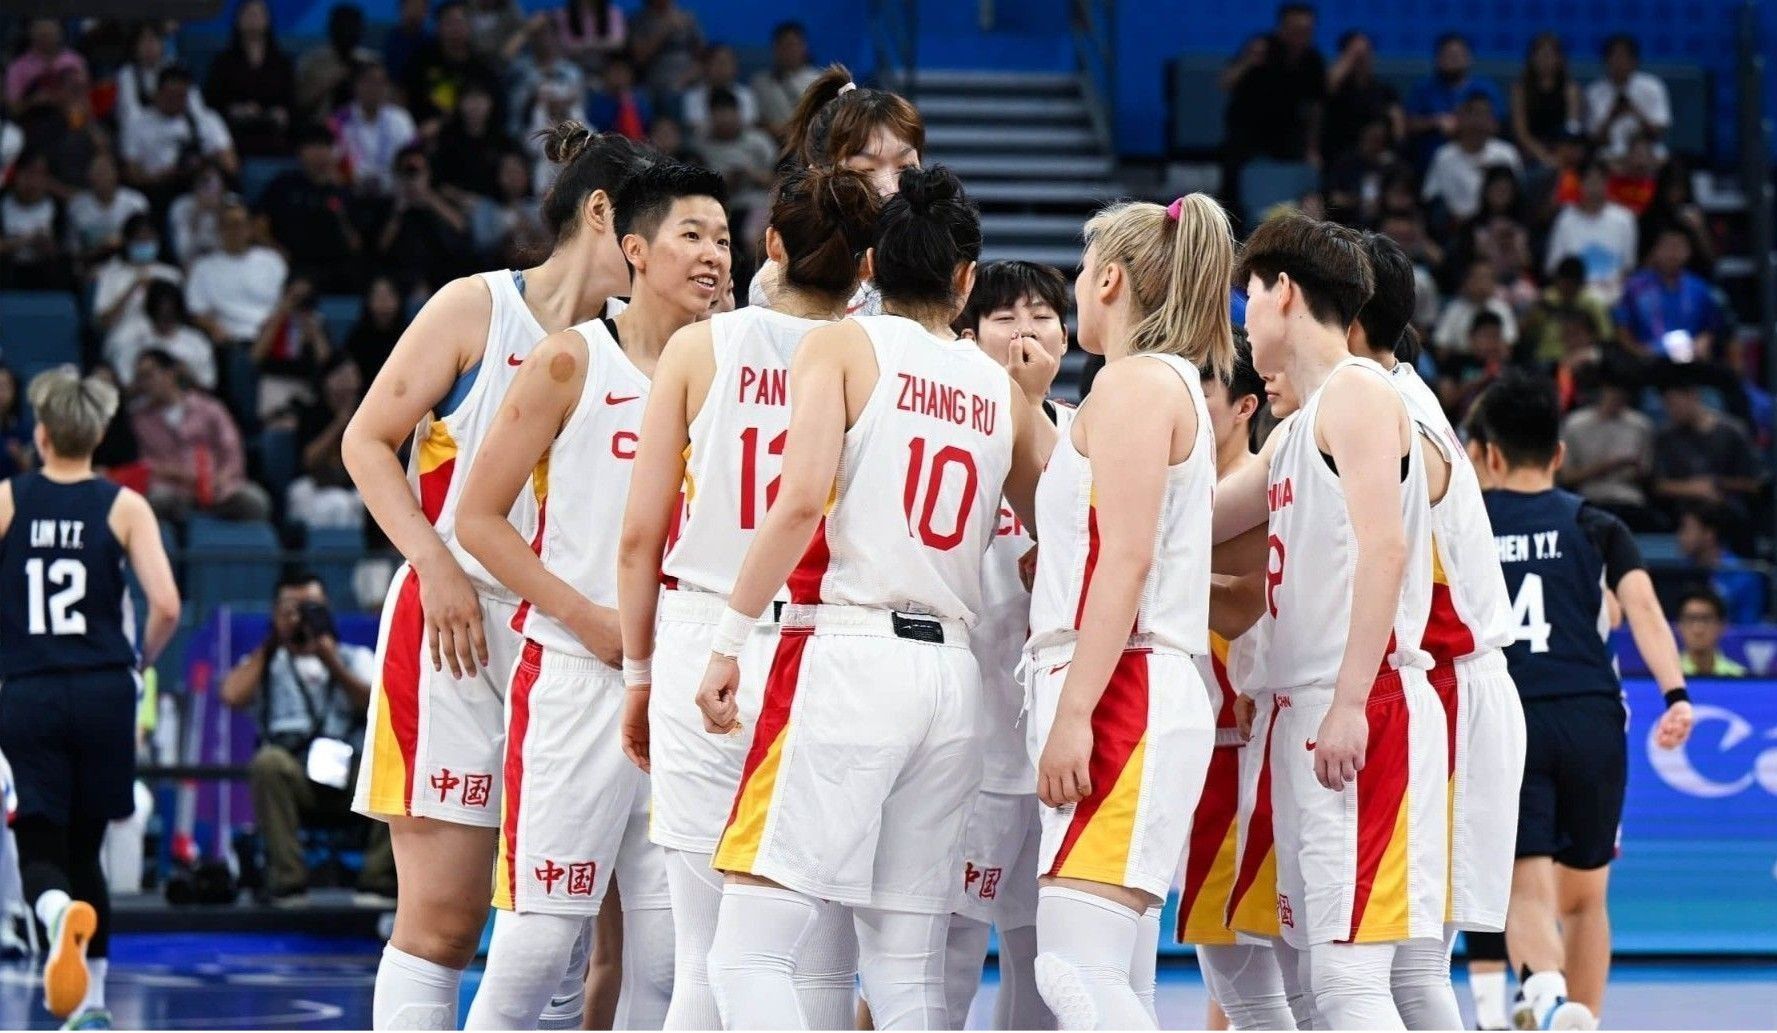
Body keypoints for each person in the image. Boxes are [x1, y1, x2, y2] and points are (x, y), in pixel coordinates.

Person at [695, 166, 1045, 1029]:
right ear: (965, 279)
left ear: (871, 266)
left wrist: (728, 638)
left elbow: (797, 502)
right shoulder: (1000, 389)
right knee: (906, 972)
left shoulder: (843, 347)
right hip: (952, 678)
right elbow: (1065, 531)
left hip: (846, 652)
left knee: (747, 951)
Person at [341, 123, 649, 1031]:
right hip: (458, 626)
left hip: (576, 641)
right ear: (603, 213)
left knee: (562, 926)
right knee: (442, 922)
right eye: (654, 225)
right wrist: (431, 558)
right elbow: (366, 441)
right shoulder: (475, 306)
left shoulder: (637, 342)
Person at [453, 159, 725, 1030]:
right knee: (536, 948)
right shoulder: (572, 358)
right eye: (692, 235)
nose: (713, 255)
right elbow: (476, 518)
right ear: (635, 249)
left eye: (724, 239)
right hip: (576, 677)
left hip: (682, 689)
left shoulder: (733, 371)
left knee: (671, 965)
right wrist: (586, 615)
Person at [614, 164, 880, 1030]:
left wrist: (637, 676)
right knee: (815, 954)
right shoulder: (875, 358)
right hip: (825, 642)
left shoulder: (699, 348)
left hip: (704, 632)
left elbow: (639, 537)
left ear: (770, 245)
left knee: (704, 950)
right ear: (866, 265)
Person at [1212, 213, 1447, 1029]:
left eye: (1247, 295)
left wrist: (1349, 701)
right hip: (1300, 704)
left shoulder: (1356, 391)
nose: (1243, 317)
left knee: (1349, 978)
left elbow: (1384, 549)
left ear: (1282, 291)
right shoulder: (1293, 431)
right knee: (1315, 979)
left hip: (1357, 698)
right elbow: (1198, 524)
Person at [1020, 193, 1234, 1031]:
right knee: (1114, 975)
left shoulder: (1136, 382)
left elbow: (1126, 558)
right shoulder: (1157, 383)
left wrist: (1074, 712)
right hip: (1131, 677)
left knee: (1072, 968)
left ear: (1108, 278)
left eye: (1081, 270)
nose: (1076, 285)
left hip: (1124, 686)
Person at [1469, 370, 1693, 1028]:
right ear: (1560, 454)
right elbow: (1644, 609)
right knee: (1587, 898)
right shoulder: (1596, 524)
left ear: (1488, 455)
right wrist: (1675, 693)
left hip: (1509, 716)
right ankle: (1582, 1017)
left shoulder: (1466, 524)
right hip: (1592, 714)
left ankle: (1547, 997)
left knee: (1524, 885)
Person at [1351, 231, 1528, 1029]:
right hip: (1447, 686)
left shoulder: (1393, 415)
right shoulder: (1391, 396)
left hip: (1447, 687)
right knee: (1401, 963)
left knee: (1407, 963)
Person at [0, 367, 180, 1028]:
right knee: (88, 848)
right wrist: (138, 663)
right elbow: (166, 605)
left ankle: (54, 917)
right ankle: (95, 1004)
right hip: (106, 689)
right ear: (99, 435)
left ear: (41, 435)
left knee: (39, 843)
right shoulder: (124, 506)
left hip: (31, 688)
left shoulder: (8, 499)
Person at [933, 261, 1071, 1031]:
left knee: (1042, 954)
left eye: (1041, 315)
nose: (1024, 331)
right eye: (1004, 317)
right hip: (971, 732)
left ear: (1066, 336)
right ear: (968, 334)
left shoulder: (1086, 432)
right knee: (948, 949)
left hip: (1056, 734)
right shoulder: (950, 429)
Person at [1174, 333, 1297, 1032]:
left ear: (1245, 405)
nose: (1186, 404)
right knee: (1228, 970)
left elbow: (1244, 605)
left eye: (1204, 390)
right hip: (1199, 752)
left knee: (1265, 976)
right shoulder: (1187, 490)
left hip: (1249, 748)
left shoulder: (1263, 489)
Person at [222, 572, 393, 903]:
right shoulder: (267, 662)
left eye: (311, 608)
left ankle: (377, 882)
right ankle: (288, 883)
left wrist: (331, 662)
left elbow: (379, 707)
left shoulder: (353, 657)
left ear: (327, 609)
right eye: (291, 609)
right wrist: (273, 642)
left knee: (392, 762)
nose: (301, 617)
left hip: (349, 775)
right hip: (294, 774)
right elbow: (231, 695)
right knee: (268, 763)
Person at [748, 64, 925, 312]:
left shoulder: (932, 264)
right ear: (818, 176)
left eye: (906, 167)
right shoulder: (784, 277)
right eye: (865, 170)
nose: (891, 188)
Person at [130, 349, 271, 523]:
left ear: (169, 374)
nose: (144, 383)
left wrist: (221, 478)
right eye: (140, 378)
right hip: (171, 490)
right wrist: (178, 475)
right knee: (154, 501)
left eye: (148, 375)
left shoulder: (209, 408)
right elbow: (144, 464)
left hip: (217, 488)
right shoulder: (139, 419)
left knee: (255, 501)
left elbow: (232, 450)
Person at [1651, 380, 1765, 542]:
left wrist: (1717, 485)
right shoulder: (1665, 437)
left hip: (1727, 509)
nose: (1671, 411)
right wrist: (1694, 488)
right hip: (1681, 513)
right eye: (1667, 405)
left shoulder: (1732, 431)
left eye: (1674, 404)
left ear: (1693, 396)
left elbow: (1754, 483)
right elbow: (1659, 485)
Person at [260, 126, 365, 290]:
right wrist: (275, 250)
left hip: (336, 267)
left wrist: (340, 213)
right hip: (294, 265)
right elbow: (258, 223)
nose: (320, 153)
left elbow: (356, 244)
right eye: (314, 147)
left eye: (325, 147)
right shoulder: (283, 185)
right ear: (300, 152)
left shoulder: (344, 192)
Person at [120, 67, 238, 210]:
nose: (176, 101)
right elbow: (131, 173)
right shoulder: (137, 124)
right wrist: (159, 176)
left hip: (197, 187)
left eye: (181, 96)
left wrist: (205, 162)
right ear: (157, 94)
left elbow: (230, 164)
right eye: (171, 96)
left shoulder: (205, 120)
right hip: (157, 189)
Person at [185, 200, 289, 355]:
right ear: (220, 229)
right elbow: (196, 310)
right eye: (229, 225)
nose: (235, 230)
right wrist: (214, 328)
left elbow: (286, 300)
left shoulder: (272, 260)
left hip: (273, 336)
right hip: (232, 340)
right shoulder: (203, 268)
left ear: (249, 228)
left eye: (240, 224)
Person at [1614, 227, 1724, 363]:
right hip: (1648, 361)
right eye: (1667, 246)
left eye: (1678, 247)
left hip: (1691, 360)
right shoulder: (1634, 288)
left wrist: (1703, 342)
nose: (1673, 253)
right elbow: (1622, 329)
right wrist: (1640, 352)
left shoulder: (1700, 288)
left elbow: (1712, 327)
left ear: (1688, 251)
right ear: (1655, 250)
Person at [1558, 377, 1656, 527]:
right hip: (1590, 499)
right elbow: (1566, 477)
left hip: (1630, 502)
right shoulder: (1575, 424)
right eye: (1611, 392)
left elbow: (1647, 476)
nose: (1616, 397)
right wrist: (1609, 465)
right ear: (1601, 392)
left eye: (1621, 393)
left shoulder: (1641, 425)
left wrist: (1636, 470)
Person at [203, 0, 297, 156]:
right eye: (248, 13)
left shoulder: (282, 63)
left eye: (259, 14)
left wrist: (282, 113)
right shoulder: (223, 62)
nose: (253, 18)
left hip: (273, 130)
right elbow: (211, 103)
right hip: (235, 130)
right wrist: (235, 110)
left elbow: (292, 103)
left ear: (268, 20)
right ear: (238, 20)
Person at [288, 356, 368, 531]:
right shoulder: (311, 413)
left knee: (363, 501)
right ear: (327, 381)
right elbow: (309, 459)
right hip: (313, 486)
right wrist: (339, 423)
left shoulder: (364, 413)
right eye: (342, 375)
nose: (349, 382)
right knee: (338, 504)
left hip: (349, 485)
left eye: (353, 375)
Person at [91, 214, 183, 363]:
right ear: (127, 242)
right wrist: (132, 288)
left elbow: (180, 317)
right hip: (125, 340)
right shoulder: (111, 274)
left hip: (166, 340)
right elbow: (103, 322)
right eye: (139, 240)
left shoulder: (171, 275)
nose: (144, 243)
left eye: (149, 239)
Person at [1544, 159, 1638, 302]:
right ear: (1580, 184)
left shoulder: (1625, 219)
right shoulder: (1565, 219)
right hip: (1574, 297)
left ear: (1607, 183)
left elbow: (1628, 268)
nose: (1594, 186)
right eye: (1589, 180)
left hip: (1614, 297)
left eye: (1599, 180)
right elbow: (1554, 267)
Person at [404, 1, 504, 135]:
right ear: (438, 27)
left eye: (460, 22)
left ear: (470, 26)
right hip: (423, 132)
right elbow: (407, 96)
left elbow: (496, 110)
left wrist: (443, 124)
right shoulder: (421, 60)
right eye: (449, 23)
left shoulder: (483, 66)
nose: (455, 29)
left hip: (470, 135)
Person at [1421, 94, 1522, 225]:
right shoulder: (1444, 156)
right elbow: (1430, 196)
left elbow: (1518, 197)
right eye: (1472, 114)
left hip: (1500, 225)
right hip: (1456, 226)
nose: (1477, 122)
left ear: (1492, 122)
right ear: (1460, 120)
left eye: (1483, 115)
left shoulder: (1506, 153)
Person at [1406, 34, 1506, 159]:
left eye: (1457, 55)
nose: (1452, 60)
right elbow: (1408, 124)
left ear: (1469, 58)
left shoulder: (1486, 88)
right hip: (1430, 158)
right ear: (1437, 59)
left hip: (1480, 156)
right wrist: (1435, 122)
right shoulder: (1423, 88)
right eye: (1447, 55)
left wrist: (1465, 125)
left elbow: (1499, 124)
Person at [109, 279, 217, 391]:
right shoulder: (133, 343)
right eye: (160, 314)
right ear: (151, 313)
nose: (166, 319)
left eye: (170, 314)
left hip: (188, 397)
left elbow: (208, 385)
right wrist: (150, 379)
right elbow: (126, 387)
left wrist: (187, 376)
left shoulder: (197, 342)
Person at [330, 61, 418, 198]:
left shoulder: (401, 119)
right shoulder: (339, 121)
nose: (374, 88)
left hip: (394, 194)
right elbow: (334, 162)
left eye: (380, 83)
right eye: (368, 82)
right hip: (351, 193)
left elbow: (413, 157)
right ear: (355, 85)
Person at [1674, 504, 1764, 624]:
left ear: (1709, 534)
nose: (1680, 537)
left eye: (1687, 529)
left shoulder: (1744, 576)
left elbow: (1748, 627)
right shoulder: (1678, 572)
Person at [1585, 35, 1669, 161]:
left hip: (1648, 155)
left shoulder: (1652, 86)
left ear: (1635, 61)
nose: (1619, 63)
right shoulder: (1593, 92)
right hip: (1608, 157)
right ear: (1606, 61)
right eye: (1615, 57)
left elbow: (1659, 133)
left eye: (1624, 57)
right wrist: (1612, 116)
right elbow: (1593, 141)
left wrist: (1634, 111)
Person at [65, 154, 149, 272]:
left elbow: (146, 242)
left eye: (106, 172)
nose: (102, 178)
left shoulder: (136, 203)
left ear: (116, 174)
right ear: (89, 176)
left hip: (131, 265)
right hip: (92, 267)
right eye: (97, 173)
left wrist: (121, 242)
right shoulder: (76, 207)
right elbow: (73, 251)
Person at [1523, 257, 1613, 366]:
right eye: (1564, 285)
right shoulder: (1546, 299)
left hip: (1580, 359)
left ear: (1581, 284)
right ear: (1557, 281)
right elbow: (1529, 332)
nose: (1567, 290)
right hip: (1547, 358)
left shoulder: (1593, 304)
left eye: (1571, 286)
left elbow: (1605, 338)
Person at [1511, 34, 1581, 171]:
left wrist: (1560, 155)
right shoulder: (1520, 90)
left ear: (1559, 59)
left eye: (1550, 55)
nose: (1545, 60)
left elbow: (1572, 127)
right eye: (1541, 55)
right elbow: (1521, 132)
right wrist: (1543, 155)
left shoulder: (1570, 89)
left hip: (1561, 149)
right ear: (1532, 59)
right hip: (1530, 150)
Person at [0, 150, 69, 289]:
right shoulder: (3, 202)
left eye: (39, 175)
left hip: (44, 271)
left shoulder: (57, 207)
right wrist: (22, 241)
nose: (33, 181)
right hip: (8, 270)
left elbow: (63, 247)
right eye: (28, 173)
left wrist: (47, 246)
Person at [296, 3, 374, 123]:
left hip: (365, 127)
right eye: (342, 27)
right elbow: (300, 101)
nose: (347, 33)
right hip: (321, 126)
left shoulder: (371, 63)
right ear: (331, 29)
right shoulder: (312, 63)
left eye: (352, 27)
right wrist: (329, 82)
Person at [1433, 259, 1518, 357]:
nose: (1481, 283)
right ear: (1466, 281)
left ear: (1494, 283)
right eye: (1477, 278)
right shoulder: (1454, 309)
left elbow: (1508, 346)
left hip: (1493, 361)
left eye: (1486, 278)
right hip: (1460, 360)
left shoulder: (1502, 308)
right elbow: (1440, 346)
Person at [753, 22, 822, 140]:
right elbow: (755, 121)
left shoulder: (819, 80)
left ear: (804, 47)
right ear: (775, 49)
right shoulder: (759, 82)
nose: (789, 51)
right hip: (772, 143)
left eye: (793, 45)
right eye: (783, 46)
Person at [628, 0, 705, 103]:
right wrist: (665, 29)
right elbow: (639, 57)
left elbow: (702, 56)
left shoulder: (687, 18)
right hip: (657, 85)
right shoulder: (638, 20)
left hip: (688, 82)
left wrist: (687, 78)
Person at [5, 19, 87, 113]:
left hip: (71, 115)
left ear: (59, 35)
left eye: (50, 35)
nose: (46, 39)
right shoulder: (18, 67)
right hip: (34, 116)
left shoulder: (75, 61)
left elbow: (85, 98)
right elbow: (13, 108)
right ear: (32, 36)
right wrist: (33, 102)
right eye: (42, 35)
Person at [681, 44, 759, 133]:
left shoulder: (746, 94)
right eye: (717, 63)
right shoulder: (692, 96)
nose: (722, 68)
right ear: (705, 66)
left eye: (726, 63)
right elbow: (696, 126)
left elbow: (749, 124)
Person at [343, 276, 408, 379]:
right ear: (368, 300)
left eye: (388, 295)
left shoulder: (409, 335)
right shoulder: (357, 336)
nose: (383, 302)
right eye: (378, 296)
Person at [1675, 589, 1746, 677]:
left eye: (1706, 619)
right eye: (1690, 619)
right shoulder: (1667, 676)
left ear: (1721, 625)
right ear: (1679, 626)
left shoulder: (1739, 677)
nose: (1698, 629)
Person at [553, 0, 626, 73]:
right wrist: (597, 44)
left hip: (607, 61)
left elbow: (618, 42)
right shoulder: (564, 13)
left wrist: (588, 45)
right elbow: (565, 45)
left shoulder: (611, 11)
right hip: (574, 62)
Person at [0, 365, 29, 480]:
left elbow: (32, 473)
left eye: (5, 387)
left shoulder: (23, 429)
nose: (1, 393)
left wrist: (20, 458)